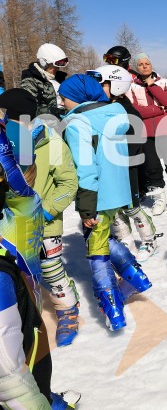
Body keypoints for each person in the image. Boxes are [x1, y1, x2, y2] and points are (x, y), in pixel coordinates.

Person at [0, 121, 80, 410]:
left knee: (35, 364)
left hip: (27, 318)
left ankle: (46, 393)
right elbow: (7, 378)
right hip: (14, 326)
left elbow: (67, 182)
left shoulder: (24, 204)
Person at [60, 74, 151, 331]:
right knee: (101, 237)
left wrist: (87, 205)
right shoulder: (115, 114)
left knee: (96, 251)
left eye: (64, 97)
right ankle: (135, 276)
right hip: (117, 193)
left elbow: (86, 167)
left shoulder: (79, 123)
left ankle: (113, 309)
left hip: (97, 196)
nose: (63, 102)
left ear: (76, 98)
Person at [0, 88, 81, 346]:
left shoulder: (50, 142)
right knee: (15, 275)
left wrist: (45, 211)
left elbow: (67, 183)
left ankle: (67, 309)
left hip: (43, 224)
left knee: (50, 268)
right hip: (9, 224)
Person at [87, 65, 160, 262]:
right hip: (108, 168)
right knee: (114, 209)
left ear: (116, 86)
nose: (96, 88)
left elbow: (136, 140)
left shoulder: (126, 110)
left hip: (126, 167)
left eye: (101, 84)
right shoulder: (99, 107)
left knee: (131, 206)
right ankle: (126, 241)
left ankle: (149, 240)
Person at [126, 52, 167, 215]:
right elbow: (134, 110)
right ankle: (159, 198)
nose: (144, 66)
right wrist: (158, 109)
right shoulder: (131, 86)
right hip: (145, 133)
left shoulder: (164, 82)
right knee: (151, 167)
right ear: (136, 67)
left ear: (151, 65)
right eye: (140, 64)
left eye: (147, 63)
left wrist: (151, 85)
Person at [19, 43, 69, 119]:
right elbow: (30, 106)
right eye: (54, 65)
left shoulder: (59, 78)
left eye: (59, 65)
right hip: (46, 123)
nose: (58, 68)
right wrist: (53, 112)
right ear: (44, 63)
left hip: (65, 118)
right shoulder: (31, 80)